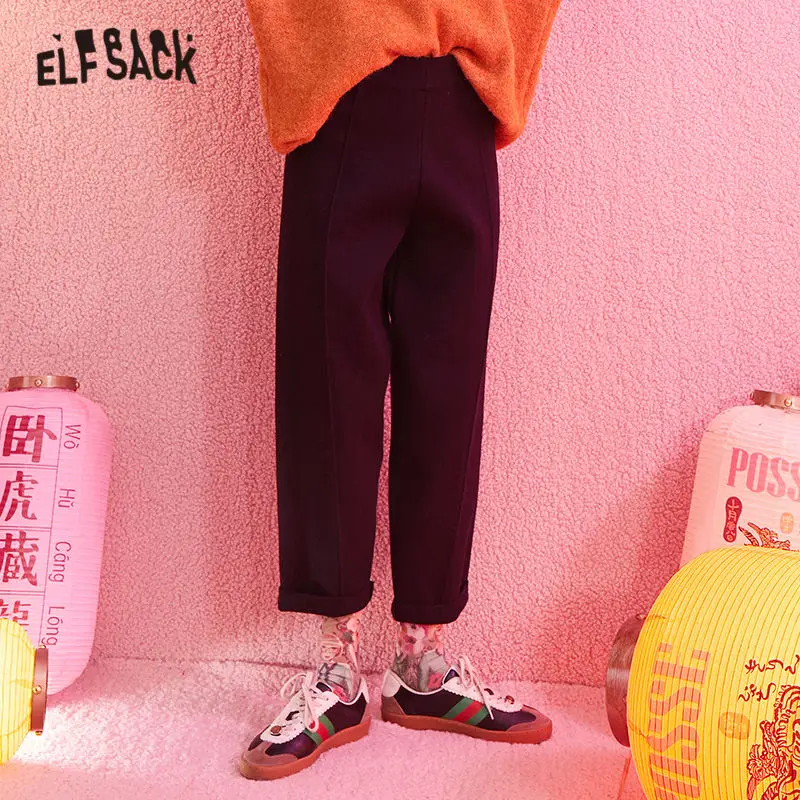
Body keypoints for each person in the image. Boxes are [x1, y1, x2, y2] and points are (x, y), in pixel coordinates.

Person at [238, 0, 563, 781]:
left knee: (450, 386)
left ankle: (423, 664)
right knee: (326, 383)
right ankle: (336, 669)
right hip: (341, 87)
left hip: (464, 95)